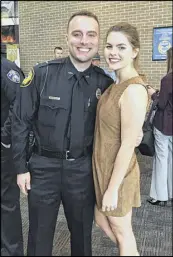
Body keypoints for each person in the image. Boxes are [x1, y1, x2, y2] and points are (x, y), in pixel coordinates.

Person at [11, 11, 114, 256]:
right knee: (39, 236)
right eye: (77, 34)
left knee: (82, 236)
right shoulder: (42, 74)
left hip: (82, 169)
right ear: (67, 37)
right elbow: (19, 122)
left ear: (98, 40)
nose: (84, 41)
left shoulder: (104, 84)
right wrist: (21, 168)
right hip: (43, 168)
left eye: (91, 35)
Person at [92, 22, 149, 256]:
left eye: (121, 47)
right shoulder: (116, 83)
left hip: (118, 172)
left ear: (134, 51)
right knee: (102, 221)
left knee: (123, 231)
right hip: (102, 167)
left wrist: (113, 188)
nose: (113, 52)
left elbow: (127, 145)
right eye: (109, 46)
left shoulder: (134, 90)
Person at [1, 56, 24, 256]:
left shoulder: (7, 69)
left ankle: (11, 251)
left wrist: (3, 136)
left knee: (7, 202)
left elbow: (19, 105)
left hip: (3, 150)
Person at [147, 47, 173, 206]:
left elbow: (162, 104)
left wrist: (152, 93)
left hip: (164, 125)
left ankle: (160, 196)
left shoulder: (167, 79)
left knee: (161, 160)